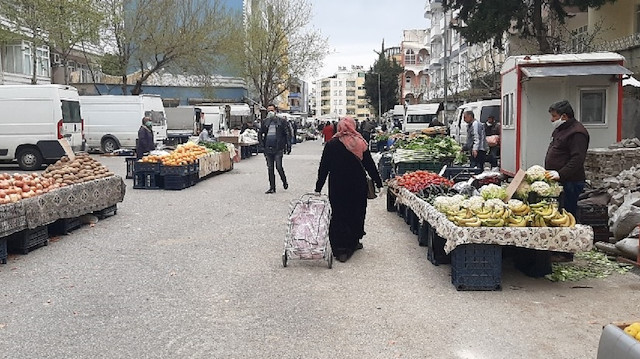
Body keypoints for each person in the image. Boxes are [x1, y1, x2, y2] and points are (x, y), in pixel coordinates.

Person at [314, 117, 383, 263]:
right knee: (355, 213)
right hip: (357, 186)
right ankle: (353, 241)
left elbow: (323, 167)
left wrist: (318, 187)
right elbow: (370, 165)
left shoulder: (331, 144)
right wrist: (378, 182)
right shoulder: (360, 143)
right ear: (353, 126)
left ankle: (340, 248)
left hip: (337, 186)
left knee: (339, 214)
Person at [544, 100, 589, 217]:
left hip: (571, 183)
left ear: (564, 116)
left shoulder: (577, 133)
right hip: (560, 181)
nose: (551, 120)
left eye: (554, 116)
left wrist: (561, 174)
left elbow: (577, 159)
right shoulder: (561, 129)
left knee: (568, 213)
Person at [259, 104, 291, 194]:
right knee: (270, 168)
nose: (270, 112)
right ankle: (272, 187)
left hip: (278, 148)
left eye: (271, 110)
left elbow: (287, 133)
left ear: (275, 111)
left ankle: (284, 181)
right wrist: (262, 144)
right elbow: (260, 133)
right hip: (268, 148)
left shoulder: (281, 121)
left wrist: (288, 145)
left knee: (279, 166)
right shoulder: (265, 122)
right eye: (268, 110)